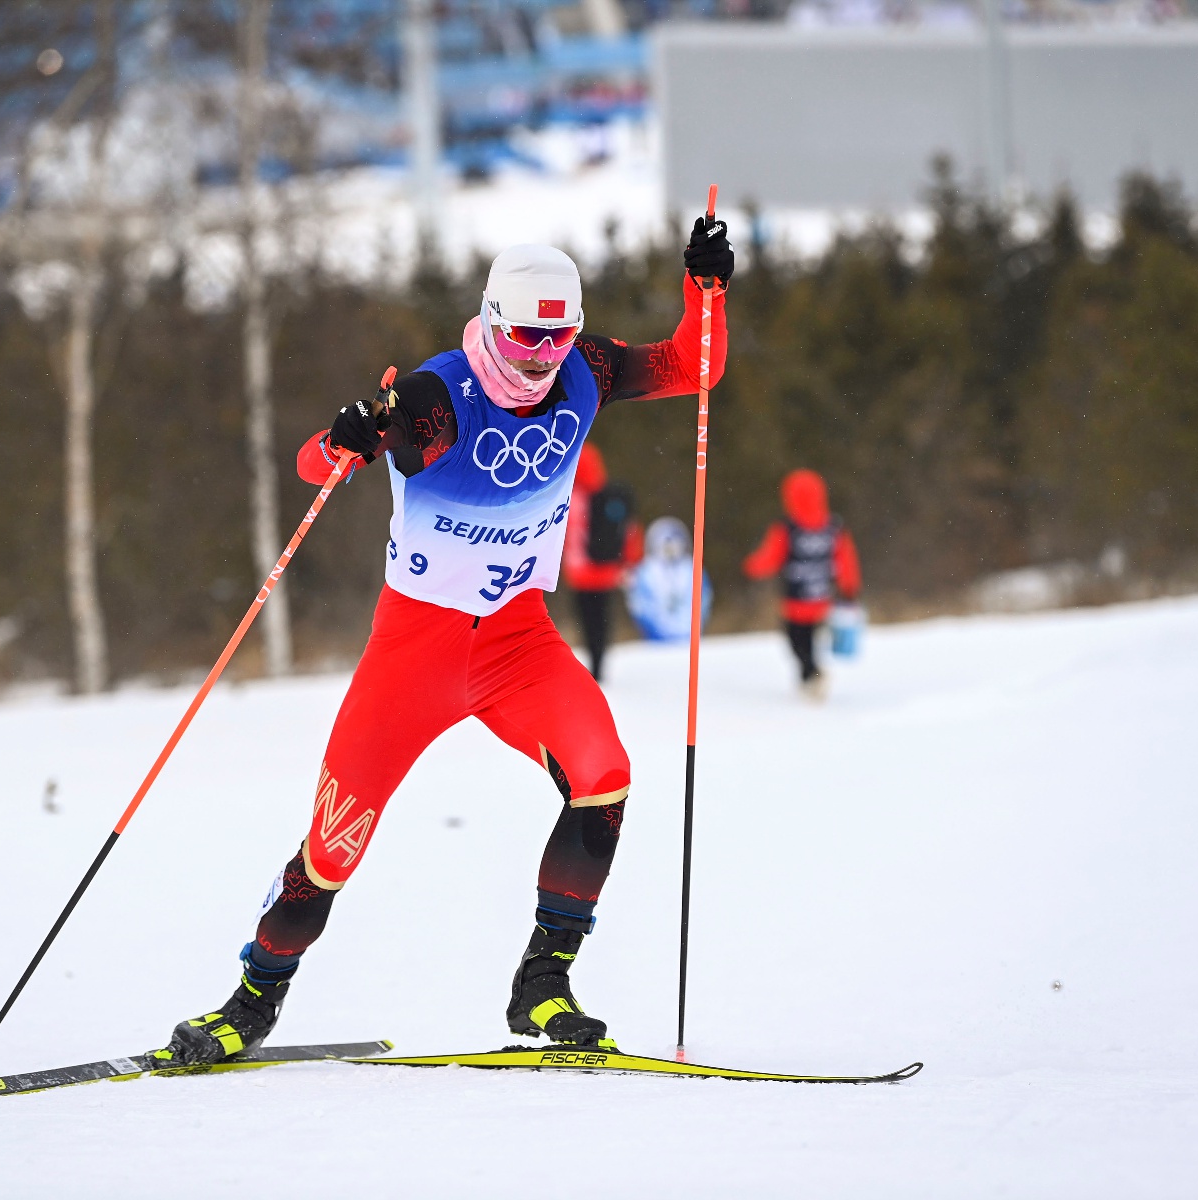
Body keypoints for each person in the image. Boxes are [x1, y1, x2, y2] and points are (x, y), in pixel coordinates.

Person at [154, 221, 734, 1064]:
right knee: (331, 846)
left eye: (558, 334)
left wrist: (705, 290)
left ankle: (542, 987)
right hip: (415, 654)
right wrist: (344, 437)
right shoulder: (435, 397)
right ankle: (249, 1003)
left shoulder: (587, 371)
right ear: (492, 320)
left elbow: (696, 366)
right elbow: (317, 466)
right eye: (525, 334)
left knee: (604, 777)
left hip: (517, 644)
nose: (541, 356)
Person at [742, 469, 860, 700]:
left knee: (798, 642)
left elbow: (771, 556)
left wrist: (752, 566)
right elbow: (847, 559)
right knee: (808, 642)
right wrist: (850, 587)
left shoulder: (787, 528)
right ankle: (810, 677)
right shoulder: (833, 528)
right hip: (821, 600)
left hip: (796, 601)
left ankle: (811, 676)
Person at [562, 443, 642, 681]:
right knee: (600, 622)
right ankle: (598, 668)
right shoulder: (607, 496)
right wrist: (630, 562)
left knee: (588, 622)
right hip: (606, 571)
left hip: (580, 574)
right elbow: (630, 532)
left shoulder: (570, 496)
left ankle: (595, 669)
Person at [624, 516, 712, 641]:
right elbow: (640, 605)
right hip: (655, 641)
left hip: (687, 636)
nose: (670, 551)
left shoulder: (691, 569)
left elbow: (703, 599)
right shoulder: (647, 571)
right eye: (666, 547)